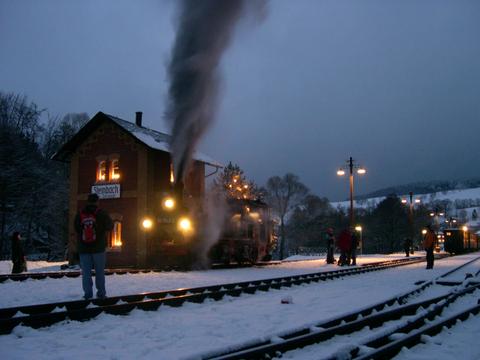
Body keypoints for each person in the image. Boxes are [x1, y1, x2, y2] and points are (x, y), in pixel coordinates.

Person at [74, 193, 113, 299]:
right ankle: (101, 293)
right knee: (99, 272)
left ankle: (88, 294)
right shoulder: (102, 213)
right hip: (99, 248)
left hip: (84, 248)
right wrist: (100, 229)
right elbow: (110, 226)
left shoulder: (80, 213)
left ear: (88, 201)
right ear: (97, 201)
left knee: (86, 273)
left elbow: (76, 228)